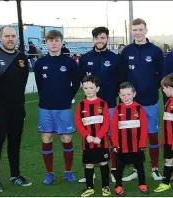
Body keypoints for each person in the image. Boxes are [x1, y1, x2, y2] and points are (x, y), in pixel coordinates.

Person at [0, 26, 32, 193]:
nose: (10, 39)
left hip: (17, 110)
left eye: (13, 36)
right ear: (0, 38)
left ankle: (15, 175)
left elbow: (21, 85)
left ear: (17, 38)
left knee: (15, 143)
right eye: (7, 36)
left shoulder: (22, 58)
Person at [33, 30, 82, 185]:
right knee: (47, 138)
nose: (54, 43)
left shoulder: (70, 63)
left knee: (66, 138)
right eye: (50, 40)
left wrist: (68, 96)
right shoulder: (40, 63)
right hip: (45, 107)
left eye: (57, 40)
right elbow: (40, 85)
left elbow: (75, 83)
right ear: (46, 43)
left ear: (62, 42)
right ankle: (49, 173)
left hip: (64, 107)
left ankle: (68, 172)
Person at [119, 18, 166, 181]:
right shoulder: (126, 51)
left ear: (146, 30)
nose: (137, 32)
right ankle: (135, 169)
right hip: (130, 104)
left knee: (152, 135)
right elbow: (123, 76)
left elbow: (162, 75)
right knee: (133, 137)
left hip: (150, 101)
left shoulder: (155, 51)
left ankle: (154, 168)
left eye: (140, 29)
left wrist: (151, 88)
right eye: (135, 30)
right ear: (131, 31)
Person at [76, 26, 121, 183]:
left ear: (107, 39)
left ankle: (114, 171)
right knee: (90, 137)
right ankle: (91, 171)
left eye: (102, 37)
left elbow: (121, 80)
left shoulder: (115, 58)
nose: (99, 40)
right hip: (89, 107)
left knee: (110, 137)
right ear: (93, 40)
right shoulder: (85, 58)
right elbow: (80, 79)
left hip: (108, 104)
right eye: (97, 38)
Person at [74, 76, 112, 197]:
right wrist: (87, 136)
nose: (88, 90)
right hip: (87, 142)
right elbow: (79, 123)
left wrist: (99, 137)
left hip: (102, 141)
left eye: (91, 87)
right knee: (88, 164)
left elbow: (106, 122)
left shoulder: (102, 103)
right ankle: (89, 187)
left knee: (103, 162)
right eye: (85, 88)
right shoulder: (80, 105)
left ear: (97, 88)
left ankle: (106, 186)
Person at [111, 82, 149, 196]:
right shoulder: (117, 109)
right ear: (119, 95)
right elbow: (114, 128)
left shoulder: (139, 108)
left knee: (140, 166)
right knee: (119, 167)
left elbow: (144, 128)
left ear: (134, 94)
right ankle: (118, 185)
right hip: (122, 146)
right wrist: (115, 144)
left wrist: (142, 144)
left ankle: (142, 184)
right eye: (123, 95)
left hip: (137, 145)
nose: (125, 97)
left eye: (128, 94)